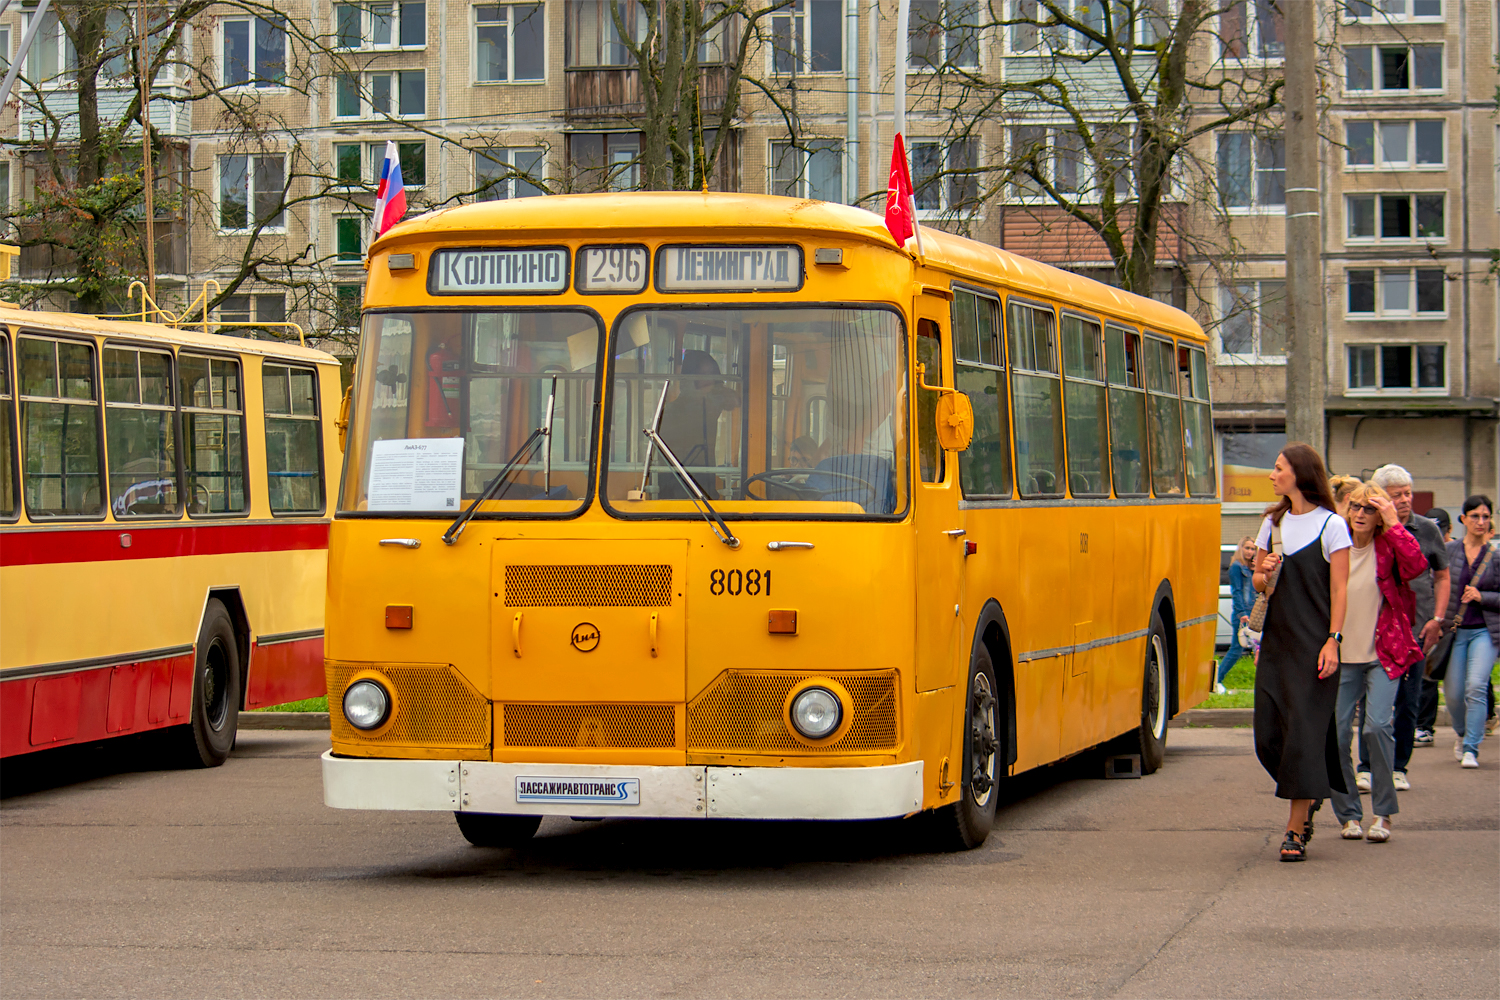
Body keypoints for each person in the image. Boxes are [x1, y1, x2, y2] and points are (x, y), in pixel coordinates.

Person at [1251, 443, 1351, 862]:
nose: (1272, 475)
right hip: (1276, 644)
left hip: (1314, 647)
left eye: (1278, 469)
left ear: (1299, 474)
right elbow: (1256, 579)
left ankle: (1294, 828)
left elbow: (1340, 589)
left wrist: (1334, 640)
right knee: (1268, 737)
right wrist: (1264, 572)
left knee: (1302, 739)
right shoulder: (1271, 522)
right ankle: (1308, 792)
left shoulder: (1332, 526)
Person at [1330, 484, 1426, 842]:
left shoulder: (1387, 546)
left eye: (1368, 509)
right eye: (1355, 506)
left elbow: (1417, 566)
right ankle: (1349, 814)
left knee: (1376, 728)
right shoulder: (1334, 545)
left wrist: (1393, 520)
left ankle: (1383, 815)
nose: (1359, 514)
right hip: (1341, 655)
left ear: (1379, 515)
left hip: (1383, 654)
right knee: (1337, 734)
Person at [1353, 465, 1449, 789]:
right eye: (1398, 495)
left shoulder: (1427, 529)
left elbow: (1439, 574)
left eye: (1408, 492)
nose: (1406, 499)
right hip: (1377, 629)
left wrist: (1437, 618)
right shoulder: (1368, 530)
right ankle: (1366, 765)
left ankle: (1399, 767)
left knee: (1409, 700)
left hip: (1416, 629)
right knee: (1371, 702)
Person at [1442, 495, 1499, 768]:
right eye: (1475, 516)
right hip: (1454, 632)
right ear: (1463, 519)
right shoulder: (1449, 552)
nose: (1481, 521)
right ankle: (1463, 733)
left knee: (1476, 687)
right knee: (1453, 693)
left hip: (1485, 632)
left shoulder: (1496, 556)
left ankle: (1471, 748)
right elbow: (1438, 588)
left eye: (1486, 516)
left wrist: (1482, 596)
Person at [1217, 536, 1257, 694]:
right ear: (1240, 549)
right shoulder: (1236, 567)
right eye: (1247, 548)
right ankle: (1217, 679)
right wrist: (1241, 613)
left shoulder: (1250, 568)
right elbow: (1237, 591)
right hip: (1243, 614)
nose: (1250, 552)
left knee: (1257, 649)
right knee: (1236, 649)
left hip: (1253, 613)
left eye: (1253, 549)